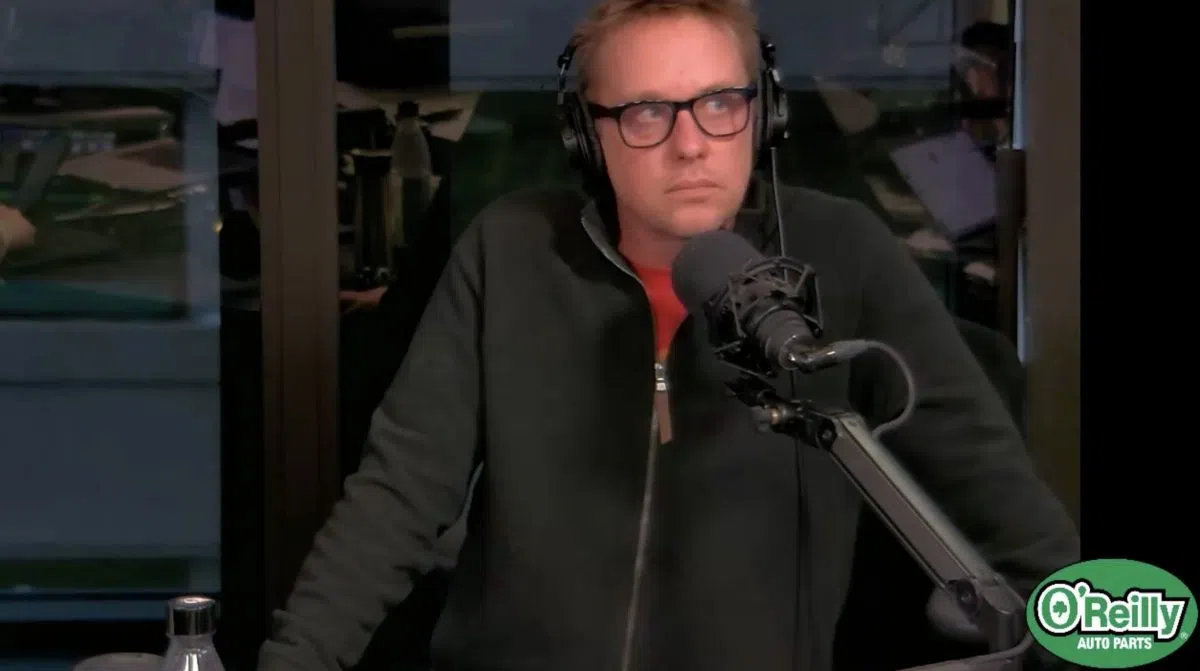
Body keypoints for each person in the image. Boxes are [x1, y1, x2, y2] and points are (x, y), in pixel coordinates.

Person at [259, 1, 1079, 670]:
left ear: (764, 114)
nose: (691, 145)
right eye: (648, 111)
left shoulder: (844, 254)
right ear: (588, 134)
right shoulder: (509, 252)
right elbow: (395, 499)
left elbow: (1002, 501)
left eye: (721, 104)